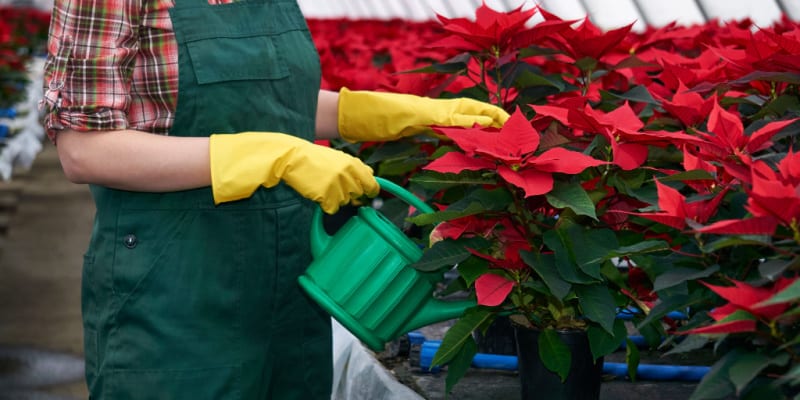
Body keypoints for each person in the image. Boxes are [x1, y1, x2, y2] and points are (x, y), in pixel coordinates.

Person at [40, 0, 509, 398]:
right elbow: (85, 150)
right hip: (176, 296)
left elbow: (272, 99)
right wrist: (270, 155)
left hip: (290, 295)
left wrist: (384, 113)